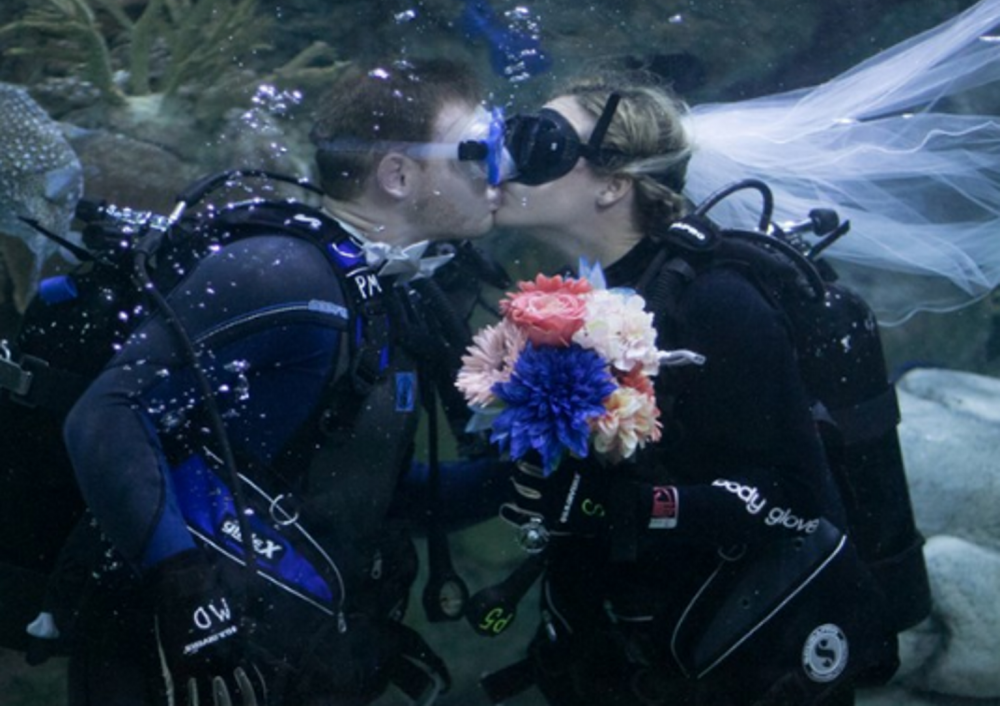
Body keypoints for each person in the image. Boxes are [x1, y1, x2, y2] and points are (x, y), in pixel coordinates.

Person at [53, 57, 505, 706]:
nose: (498, 175)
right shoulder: (281, 273)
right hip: (177, 664)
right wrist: (181, 583)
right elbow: (106, 412)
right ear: (398, 176)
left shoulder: (393, 294)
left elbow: (359, 494)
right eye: (476, 154)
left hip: (287, 652)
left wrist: (521, 476)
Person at [483, 71, 902, 706]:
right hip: (623, 656)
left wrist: (621, 508)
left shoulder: (716, 301)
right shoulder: (567, 307)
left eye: (545, 144)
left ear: (613, 185)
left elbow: (797, 502)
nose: (510, 164)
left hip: (739, 669)